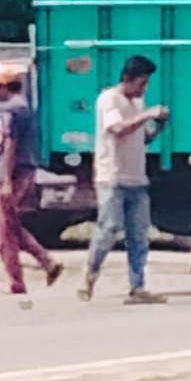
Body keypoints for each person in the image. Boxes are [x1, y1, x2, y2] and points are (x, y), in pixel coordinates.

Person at [78, 55, 170, 304]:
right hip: (112, 177)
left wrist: (158, 126)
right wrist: (147, 114)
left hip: (137, 177)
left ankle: (138, 286)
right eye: (141, 83)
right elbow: (117, 129)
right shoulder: (109, 99)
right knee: (109, 228)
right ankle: (90, 271)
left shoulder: (137, 103)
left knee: (139, 235)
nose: (144, 89)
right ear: (127, 79)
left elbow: (140, 138)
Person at [0, 61, 64, 308]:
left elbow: (10, 147)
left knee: (6, 230)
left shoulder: (12, 111)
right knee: (10, 224)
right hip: (22, 171)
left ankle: (18, 283)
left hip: (14, 173)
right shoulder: (24, 107)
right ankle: (46, 262)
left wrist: (6, 181)